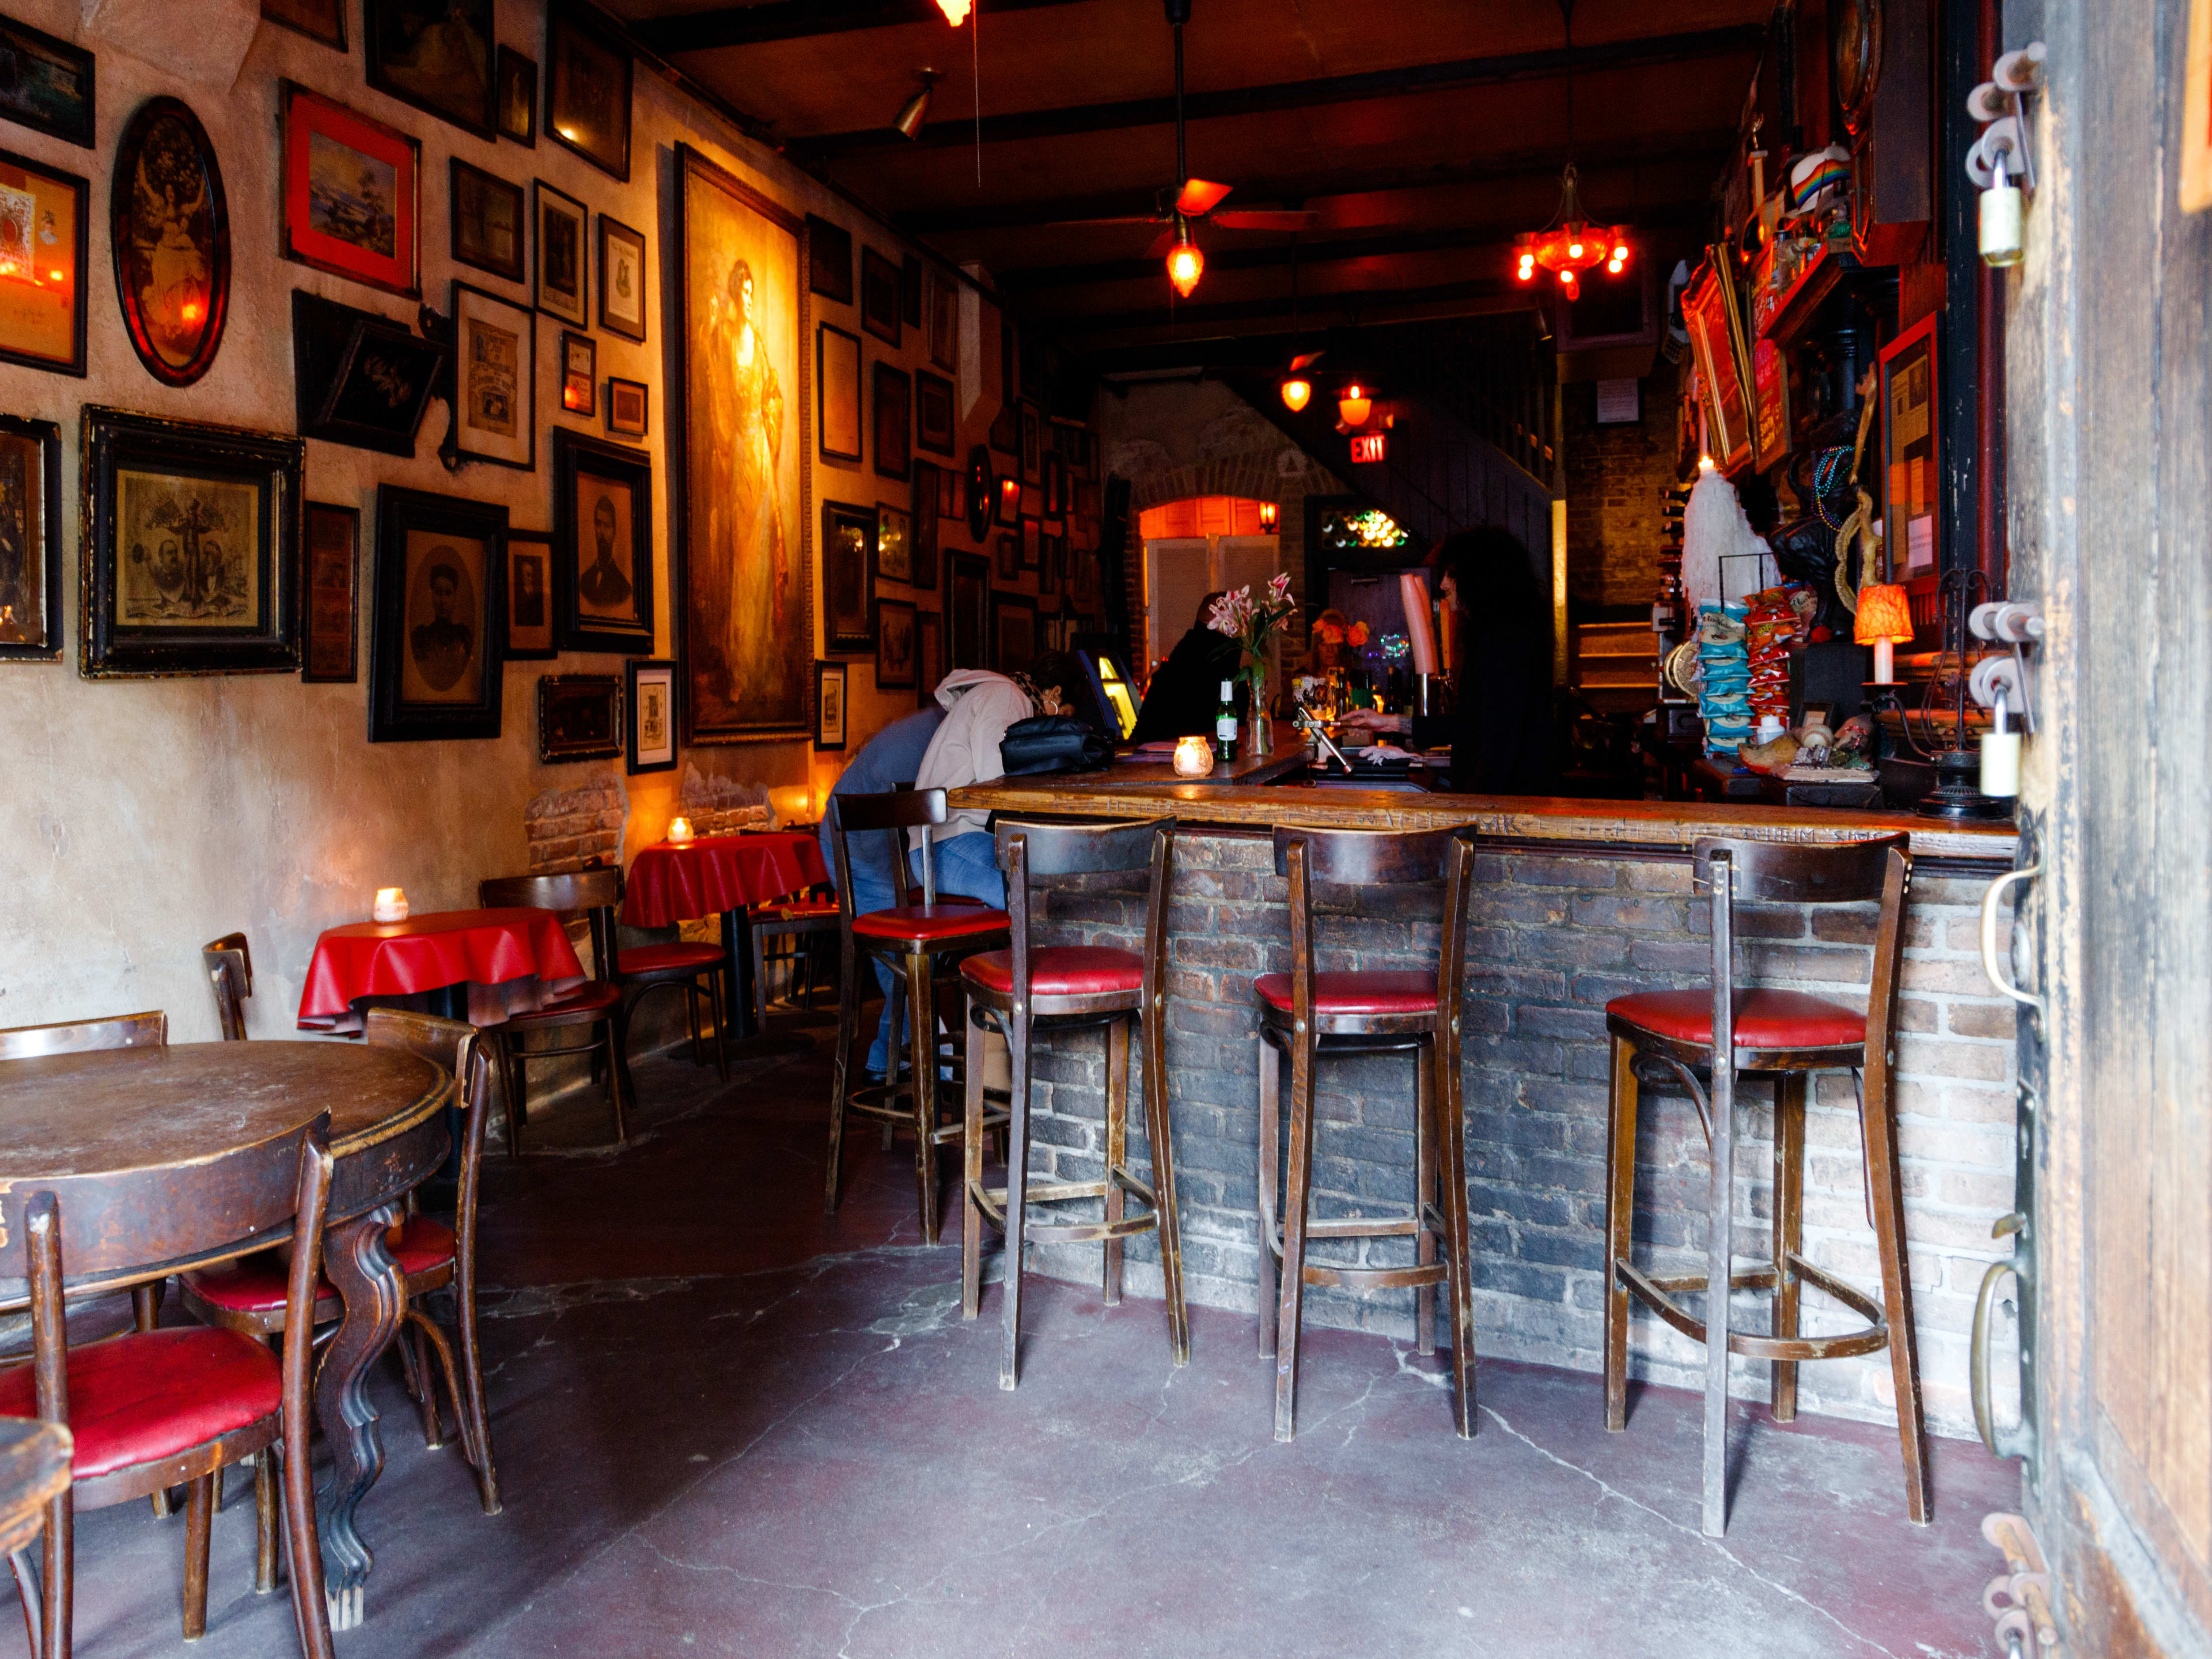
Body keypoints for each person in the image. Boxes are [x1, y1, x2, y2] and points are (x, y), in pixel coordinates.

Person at [820, 702, 948, 1078]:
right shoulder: (944, 733)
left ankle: (887, 1056)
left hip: (881, 848)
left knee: (899, 959)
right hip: (859, 847)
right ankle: (938, 1068)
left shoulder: (939, 725)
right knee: (897, 959)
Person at [1433, 527, 1554, 794]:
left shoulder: (1503, 640)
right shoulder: (1507, 632)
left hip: (1507, 807)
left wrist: (1473, 814)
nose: (1443, 584)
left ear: (1478, 577)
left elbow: (1499, 742)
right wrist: (1395, 724)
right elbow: (1474, 723)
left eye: (1451, 574)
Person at [910, 668, 1032, 906]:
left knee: (1037, 884)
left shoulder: (994, 694)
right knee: (1033, 893)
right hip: (946, 845)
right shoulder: (1006, 696)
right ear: (1055, 695)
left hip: (939, 842)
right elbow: (997, 780)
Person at [1128, 590, 1233, 746]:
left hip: (1153, 749)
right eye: (1236, 616)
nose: (1241, 623)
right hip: (1180, 755)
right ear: (1219, 618)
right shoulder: (1215, 657)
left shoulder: (1185, 651)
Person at [410, 557, 474, 692]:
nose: (442, 601)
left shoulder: (464, 637)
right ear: (432, 594)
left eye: (448, 594)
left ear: (455, 597)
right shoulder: (420, 637)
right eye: (438, 593)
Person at [578, 493, 632, 612]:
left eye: (607, 526)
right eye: (598, 524)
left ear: (614, 532)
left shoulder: (624, 588)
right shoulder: (584, 580)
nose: (601, 531)